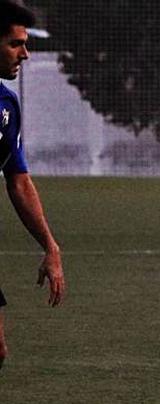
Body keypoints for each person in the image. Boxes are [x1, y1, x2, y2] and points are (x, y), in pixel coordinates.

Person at [0, 1, 66, 373]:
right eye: (14, 44)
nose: (24, 54)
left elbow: (19, 180)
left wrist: (50, 246)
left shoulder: (7, 106)